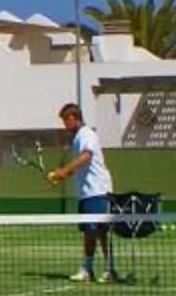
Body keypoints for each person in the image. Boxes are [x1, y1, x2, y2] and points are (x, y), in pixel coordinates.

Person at [44, 101, 124, 283]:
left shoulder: (87, 134)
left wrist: (63, 172)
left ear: (73, 118)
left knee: (95, 231)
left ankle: (94, 270)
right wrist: (61, 174)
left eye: (65, 120)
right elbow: (79, 163)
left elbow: (86, 156)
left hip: (96, 191)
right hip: (89, 192)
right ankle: (100, 269)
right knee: (96, 231)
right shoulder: (77, 138)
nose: (64, 125)